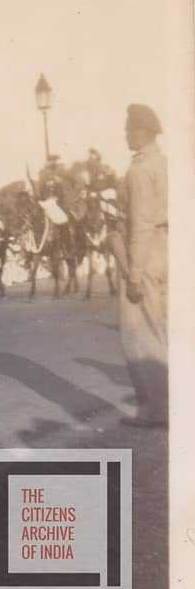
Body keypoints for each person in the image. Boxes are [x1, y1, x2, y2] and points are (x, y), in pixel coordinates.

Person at [117, 104, 168, 428]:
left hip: (143, 255)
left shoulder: (139, 170)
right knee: (159, 328)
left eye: (128, 129)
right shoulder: (162, 163)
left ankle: (154, 408)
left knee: (137, 334)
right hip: (164, 250)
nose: (125, 134)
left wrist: (133, 274)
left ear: (142, 131)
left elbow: (141, 224)